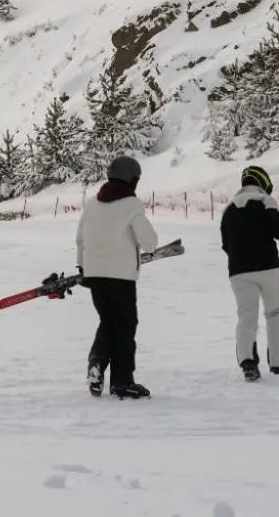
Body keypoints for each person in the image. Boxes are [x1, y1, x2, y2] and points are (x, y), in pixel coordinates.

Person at [75, 154, 159, 399]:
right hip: (121, 277)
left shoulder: (91, 204)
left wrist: (83, 268)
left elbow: (80, 240)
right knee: (124, 326)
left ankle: (96, 364)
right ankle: (122, 382)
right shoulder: (131, 205)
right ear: (131, 179)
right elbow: (150, 242)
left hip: (94, 276)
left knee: (108, 321)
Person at [219, 164, 279, 381]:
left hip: (238, 271)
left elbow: (225, 245)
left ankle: (248, 363)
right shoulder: (266, 201)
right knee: (275, 313)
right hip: (268, 267)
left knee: (246, 315)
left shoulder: (228, 208)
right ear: (262, 182)